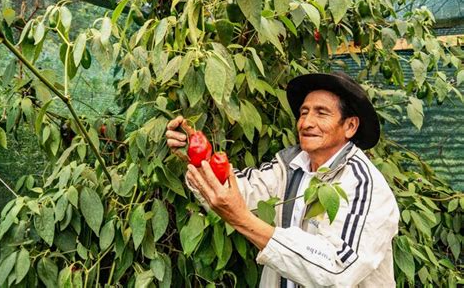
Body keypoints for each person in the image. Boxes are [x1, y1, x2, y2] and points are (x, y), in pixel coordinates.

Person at [165, 72, 400, 287]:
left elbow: (335, 270)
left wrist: (244, 220)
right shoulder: (290, 166)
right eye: (304, 112)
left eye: (321, 113)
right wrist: (198, 154)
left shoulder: (363, 184)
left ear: (350, 126)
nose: (306, 123)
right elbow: (241, 191)